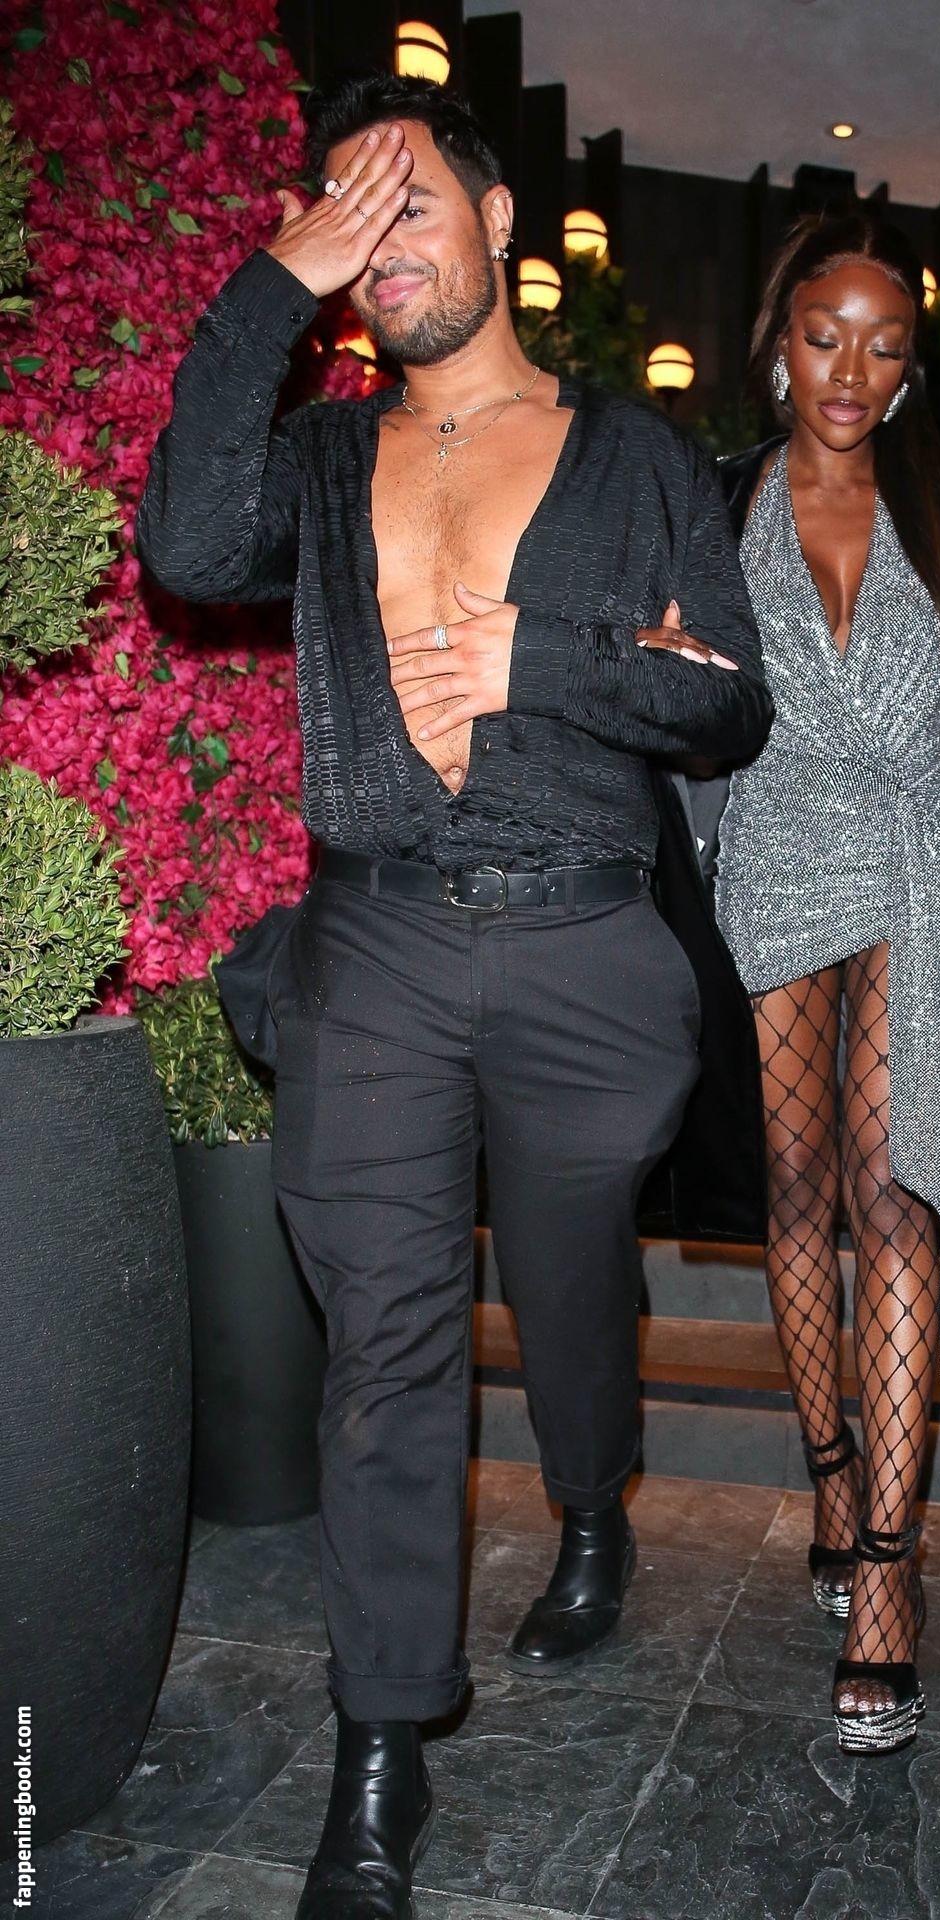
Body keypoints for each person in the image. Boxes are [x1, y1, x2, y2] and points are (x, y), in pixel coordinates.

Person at [136, 74, 771, 1920]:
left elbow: (727, 699)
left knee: (569, 1292)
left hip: (585, 949)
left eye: (407, 202)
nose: (377, 243)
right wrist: (266, 290)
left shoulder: (636, 457)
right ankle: (380, 1751)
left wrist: (534, 655)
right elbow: (185, 548)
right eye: (343, 216)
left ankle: (589, 1498)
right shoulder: (325, 458)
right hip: (378, 949)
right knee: (386, 1347)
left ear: (498, 224)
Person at [710, 209, 940, 1757]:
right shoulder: (717, 501)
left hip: (909, 851)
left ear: (909, 372)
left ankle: (888, 1567)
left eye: (885, 346)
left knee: (893, 1192)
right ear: (782, 344)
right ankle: (830, 1464)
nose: (852, 368)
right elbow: (679, 696)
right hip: (773, 842)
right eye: (826, 335)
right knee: (798, 1182)